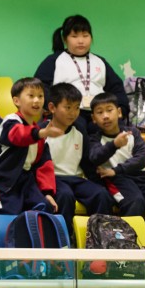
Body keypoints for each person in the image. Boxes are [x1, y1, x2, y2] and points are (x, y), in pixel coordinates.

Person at [87, 93, 145, 219]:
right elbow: (95, 157)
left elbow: (141, 159)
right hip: (115, 180)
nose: (105, 116)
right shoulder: (94, 139)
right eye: (100, 112)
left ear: (119, 112)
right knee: (135, 202)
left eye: (109, 110)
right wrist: (114, 145)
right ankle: (125, 232)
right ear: (93, 118)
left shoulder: (133, 133)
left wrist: (116, 170)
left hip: (139, 177)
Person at [34, 14, 127, 126]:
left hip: (99, 112)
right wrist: (53, 107)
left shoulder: (100, 61)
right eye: (74, 36)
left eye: (85, 35)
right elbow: (40, 87)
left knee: (118, 129)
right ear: (65, 39)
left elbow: (116, 87)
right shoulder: (54, 60)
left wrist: (121, 108)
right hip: (68, 114)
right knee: (78, 127)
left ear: (91, 37)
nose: (81, 41)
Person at [44, 82, 114, 228]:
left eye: (76, 107)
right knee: (65, 195)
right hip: (53, 179)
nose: (73, 113)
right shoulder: (42, 132)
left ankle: (100, 236)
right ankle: (65, 237)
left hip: (76, 178)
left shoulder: (80, 130)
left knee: (101, 194)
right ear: (52, 108)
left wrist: (100, 183)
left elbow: (87, 163)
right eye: (68, 107)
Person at [0, 77, 59, 215]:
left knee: (45, 207)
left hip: (27, 182)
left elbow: (44, 164)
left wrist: (47, 192)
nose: (37, 100)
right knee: (10, 216)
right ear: (17, 101)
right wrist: (40, 133)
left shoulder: (39, 131)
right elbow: (18, 135)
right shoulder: (10, 122)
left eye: (40, 96)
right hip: (6, 184)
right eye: (31, 96)